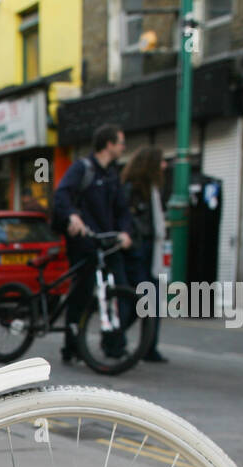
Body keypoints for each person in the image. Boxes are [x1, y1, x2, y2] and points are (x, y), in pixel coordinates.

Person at [51, 124, 133, 364]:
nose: (123, 147)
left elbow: (122, 210)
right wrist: (72, 216)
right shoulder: (82, 168)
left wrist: (126, 232)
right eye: (120, 142)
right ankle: (72, 347)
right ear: (108, 144)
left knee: (118, 292)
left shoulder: (112, 175)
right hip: (85, 242)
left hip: (108, 244)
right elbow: (62, 195)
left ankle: (114, 345)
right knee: (82, 294)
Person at [121, 146, 168, 362]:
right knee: (140, 301)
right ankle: (115, 337)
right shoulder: (132, 189)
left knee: (153, 302)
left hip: (151, 251)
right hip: (138, 251)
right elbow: (129, 221)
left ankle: (149, 347)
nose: (164, 166)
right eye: (161, 162)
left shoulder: (153, 190)